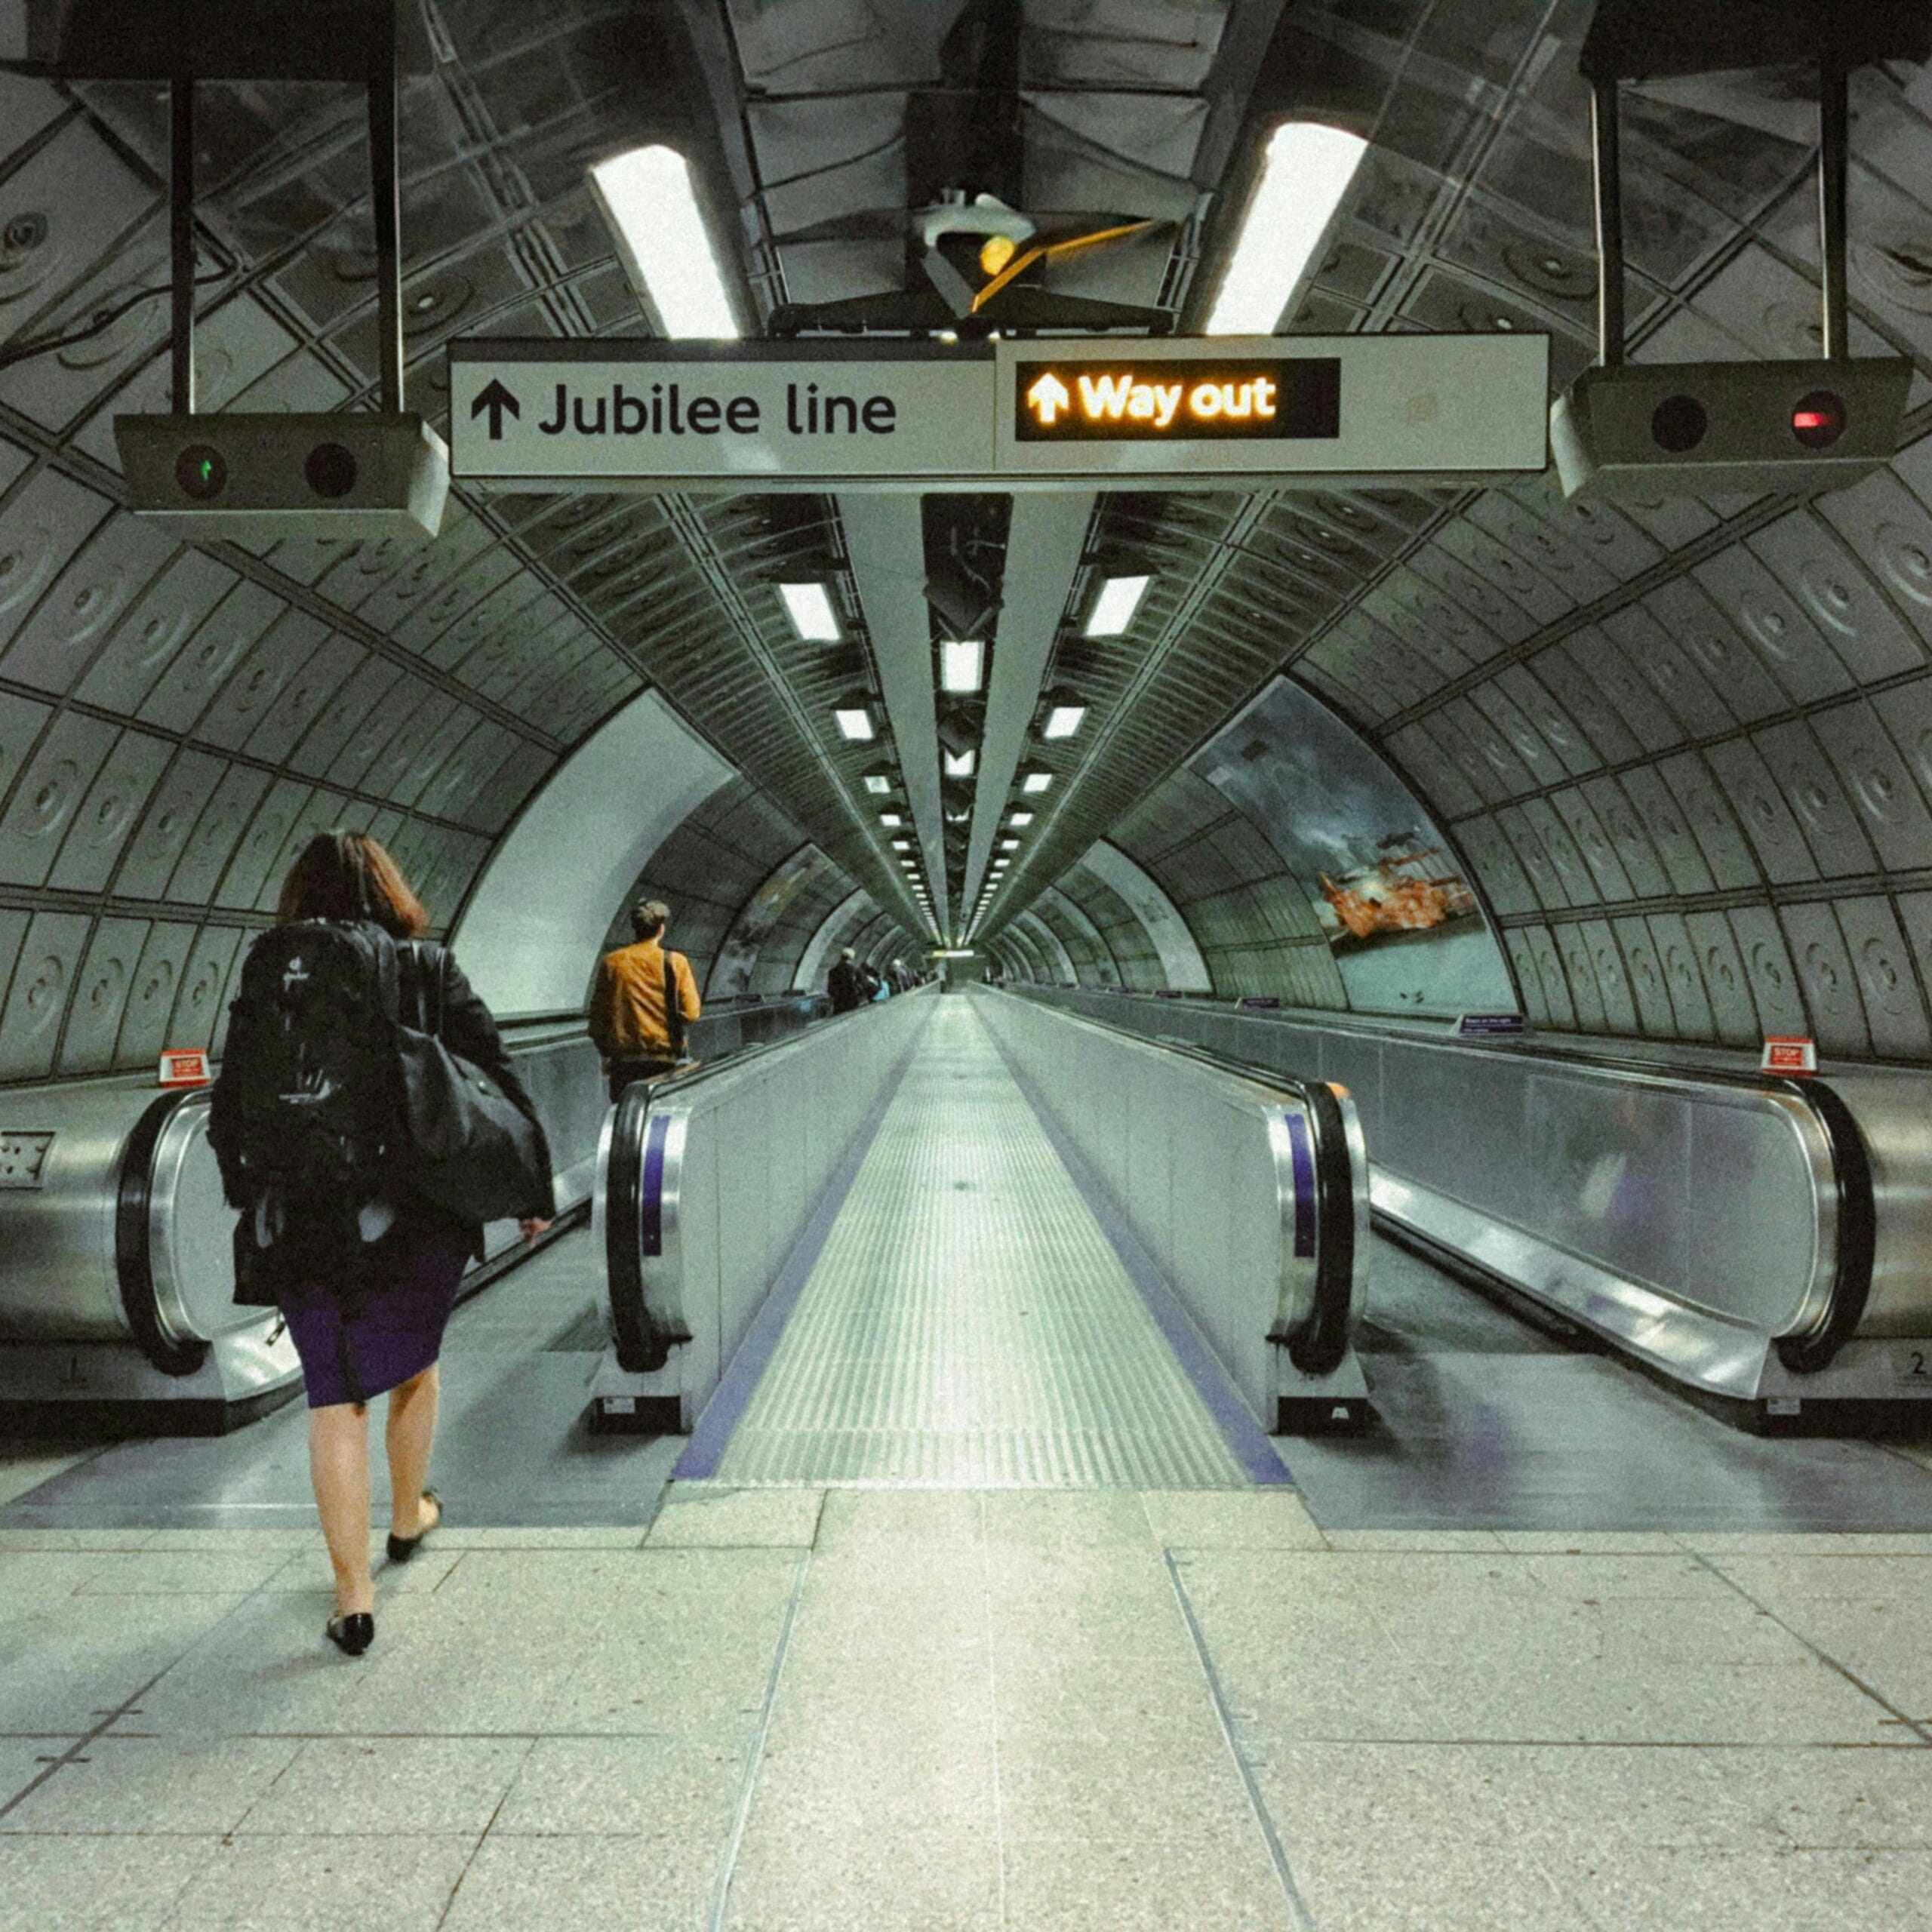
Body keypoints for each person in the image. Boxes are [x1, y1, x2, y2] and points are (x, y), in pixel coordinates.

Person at [210, 832, 555, 1658]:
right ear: (392, 890)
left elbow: (234, 1098)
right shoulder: (424, 969)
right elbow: (493, 1079)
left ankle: (352, 1599)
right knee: (413, 1364)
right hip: (414, 1212)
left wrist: (252, 1195)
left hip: (300, 1217)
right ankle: (407, 1517)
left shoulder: (274, 970)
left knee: (334, 1397)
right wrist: (526, 1192)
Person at [589, 898, 702, 1104]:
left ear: (635, 929)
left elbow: (598, 1017)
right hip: (666, 1063)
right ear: (661, 929)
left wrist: (606, 1052)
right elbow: (692, 1012)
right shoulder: (675, 961)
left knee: (626, 1123)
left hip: (624, 1065)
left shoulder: (612, 962)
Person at [827, 946, 867, 1014]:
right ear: (852, 958)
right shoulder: (855, 971)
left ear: (841, 957)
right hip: (853, 1002)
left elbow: (830, 989)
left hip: (838, 1003)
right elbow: (863, 986)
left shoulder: (833, 971)